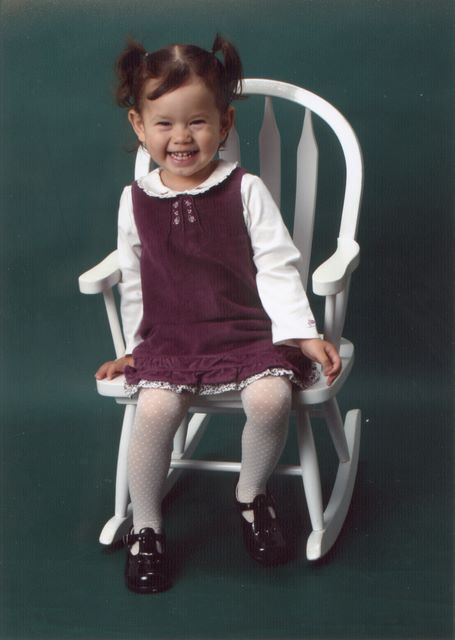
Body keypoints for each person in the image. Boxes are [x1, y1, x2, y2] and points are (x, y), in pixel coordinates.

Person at [96, 34, 341, 594]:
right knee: (155, 410)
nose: (181, 137)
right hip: (171, 339)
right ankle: (147, 526)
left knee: (271, 398)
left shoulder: (245, 189)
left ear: (226, 123)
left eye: (198, 122)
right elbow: (133, 277)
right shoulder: (134, 200)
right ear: (139, 126)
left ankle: (251, 494)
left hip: (245, 332)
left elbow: (277, 265)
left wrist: (302, 334)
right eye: (164, 123)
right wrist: (135, 348)